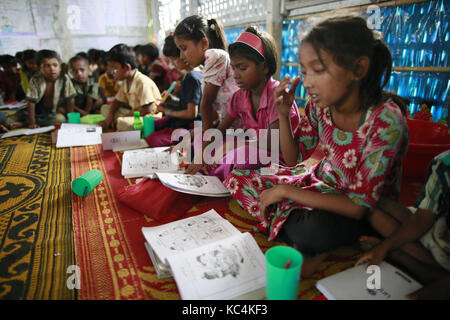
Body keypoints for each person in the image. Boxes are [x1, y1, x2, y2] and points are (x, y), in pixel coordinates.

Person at [224, 16, 410, 277]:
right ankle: (293, 224)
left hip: (365, 208)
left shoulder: (385, 120)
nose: (308, 81)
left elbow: (359, 205)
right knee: (238, 177)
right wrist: (283, 112)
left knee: (311, 229)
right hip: (320, 184)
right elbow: (293, 159)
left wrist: (285, 193)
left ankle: (296, 229)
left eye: (318, 70)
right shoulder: (318, 106)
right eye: (304, 71)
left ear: (358, 70)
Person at [185, 27, 301, 181]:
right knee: (205, 140)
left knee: (241, 155)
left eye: (242, 68)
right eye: (233, 68)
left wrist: (235, 144)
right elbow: (220, 130)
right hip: (251, 148)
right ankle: (219, 172)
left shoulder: (277, 96)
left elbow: (275, 143)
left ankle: (219, 174)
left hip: (276, 158)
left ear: (264, 67)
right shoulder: (240, 97)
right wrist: (202, 153)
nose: (235, 75)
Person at [355, 150, 450, 299]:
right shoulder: (443, 163)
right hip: (442, 232)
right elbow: (423, 218)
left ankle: (403, 258)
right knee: (372, 206)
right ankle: (433, 272)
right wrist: (385, 247)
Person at [173, 15, 239, 133]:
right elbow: (214, 117)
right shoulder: (209, 65)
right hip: (228, 128)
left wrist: (206, 140)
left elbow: (206, 103)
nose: (181, 56)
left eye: (184, 48)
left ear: (204, 44)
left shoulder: (215, 55)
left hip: (240, 131)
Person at [145, 34, 203, 148]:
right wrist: (172, 99)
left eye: (173, 59)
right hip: (187, 122)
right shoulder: (193, 74)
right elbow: (188, 102)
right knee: (155, 124)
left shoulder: (191, 77)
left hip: (192, 126)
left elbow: (191, 113)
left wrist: (166, 111)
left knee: (153, 138)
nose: (172, 64)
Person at [7, 49, 76, 129]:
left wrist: (70, 117)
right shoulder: (35, 80)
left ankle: (24, 123)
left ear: (60, 67)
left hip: (52, 113)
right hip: (34, 111)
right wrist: (32, 122)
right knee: (7, 121)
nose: (52, 69)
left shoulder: (64, 78)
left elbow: (70, 98)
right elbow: (31, 102)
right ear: (39, 68)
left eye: (55, 65)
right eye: (47, 66)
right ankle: (28, 121)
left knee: (61, 119)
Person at [99, 44, 161, 131]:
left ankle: (116, 123)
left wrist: (126, 117)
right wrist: (111, 115)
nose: (113, 72)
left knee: (123, 123)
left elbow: (148, 109)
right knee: (105, 108)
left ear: (127, 67)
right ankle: (114, 122)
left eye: (115, 68)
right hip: (134, 114)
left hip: (149, 118)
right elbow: (117, 101)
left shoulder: (142, 82)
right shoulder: (126, 80)